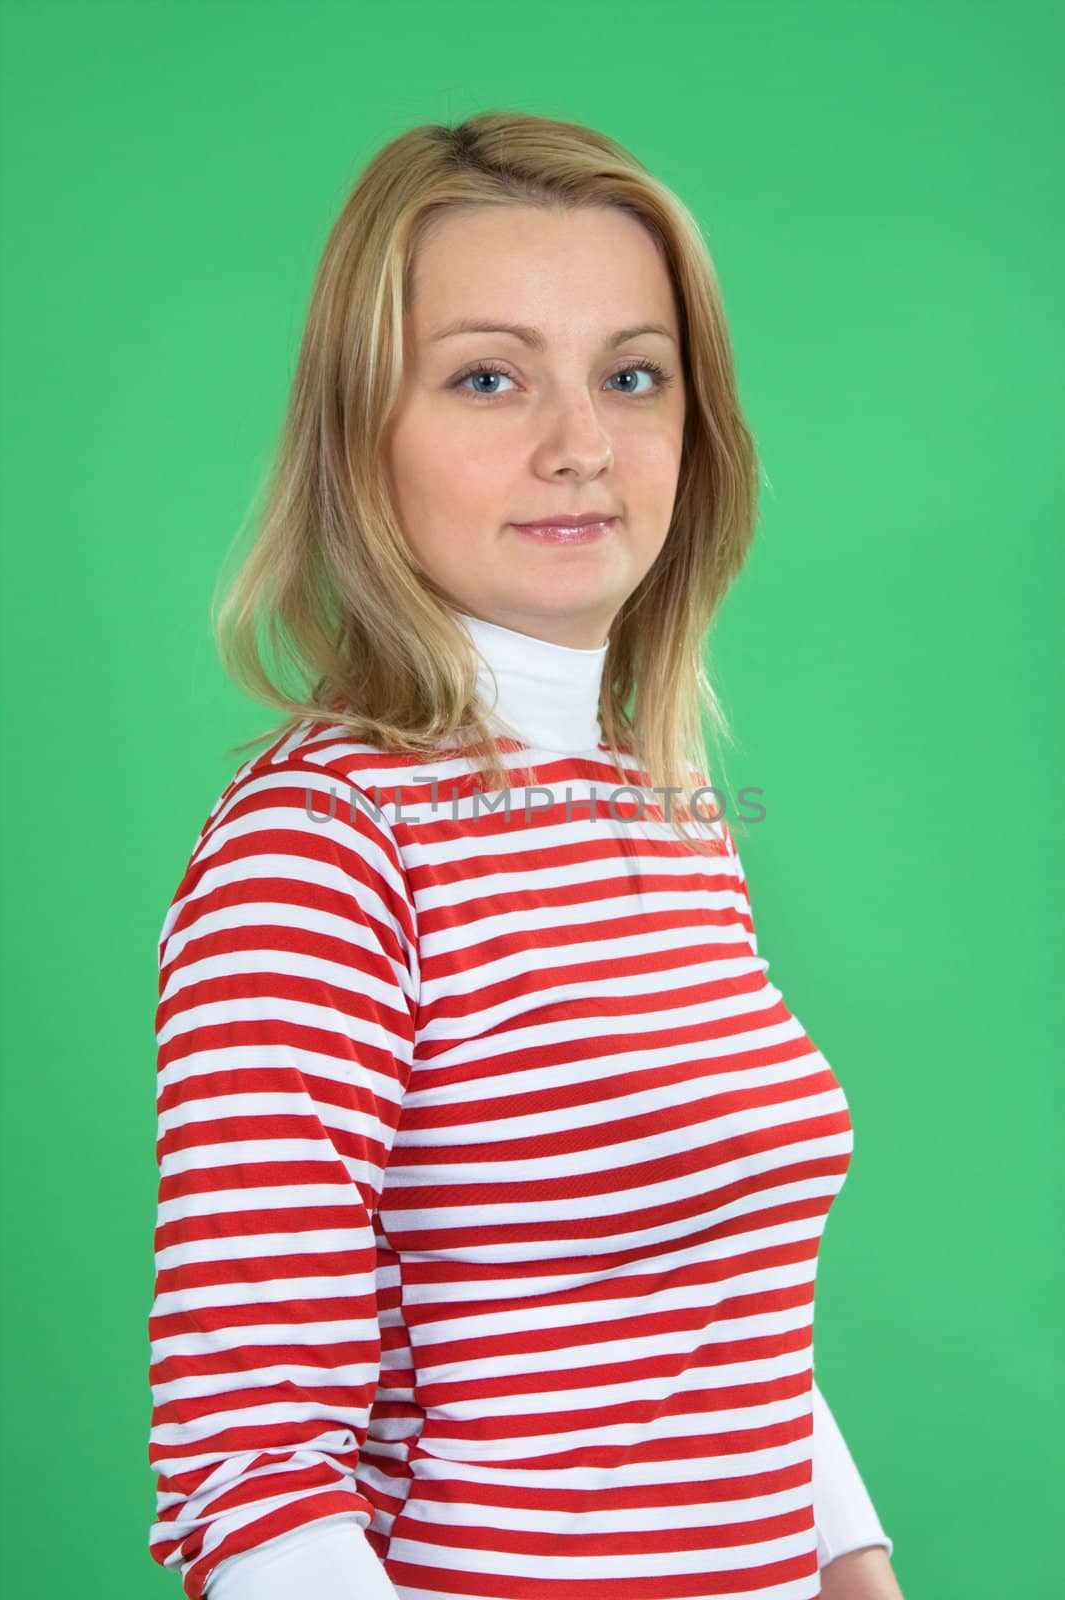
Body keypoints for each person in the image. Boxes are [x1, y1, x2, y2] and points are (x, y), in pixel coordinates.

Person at [147, 112, 903, 1600]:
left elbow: (723, 1324)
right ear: (360, 434)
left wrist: (856, 1566)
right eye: (489, 376)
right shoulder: (323, 845)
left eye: (633, 375)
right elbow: (251, 1463)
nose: (579, 446)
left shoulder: (668, 814)